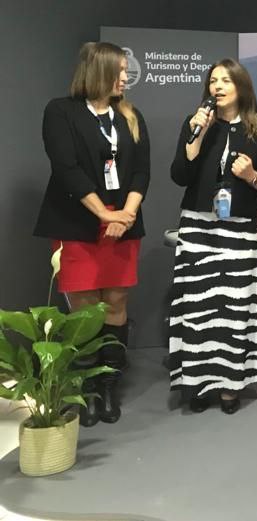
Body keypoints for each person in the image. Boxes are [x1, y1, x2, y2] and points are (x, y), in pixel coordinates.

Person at [33, 42, 150, 427]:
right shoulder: (60, 111)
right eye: (119, 70)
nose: (125, 77)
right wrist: (103, 213)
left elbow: (141, 171)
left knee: (115, 303)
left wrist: (126, 213)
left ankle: (108, 387)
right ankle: (85, 389)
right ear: (98, 71)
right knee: (84, 310)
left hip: (123, 224)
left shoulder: (131, 116)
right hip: (78, 224)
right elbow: (66, 168)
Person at [169, 58, 257, 414]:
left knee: (234, 308)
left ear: (241, 87)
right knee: (198, 308)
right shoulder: (195, 123)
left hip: (241, 229)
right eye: (213, 81)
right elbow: (179, 175)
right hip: (199, 226)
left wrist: (252, 176)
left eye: (225, 81)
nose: (217, 87)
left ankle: (230, 384)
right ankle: (197, 382)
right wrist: (195, 140)